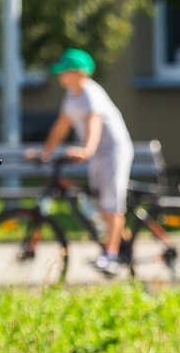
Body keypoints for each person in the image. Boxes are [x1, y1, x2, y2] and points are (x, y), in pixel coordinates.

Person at [30, 48, 131, 275]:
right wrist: (46, 152)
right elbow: (62, 125)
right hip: (97, 154)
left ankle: (111, 256)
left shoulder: (91, 93)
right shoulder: (72, 96)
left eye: (64, 71)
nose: (60, 77)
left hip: (113, 151)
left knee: (111, 205)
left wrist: (87, 149)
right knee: (100, 206)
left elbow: (94, 122)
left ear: (78, 72)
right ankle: (124, 245)